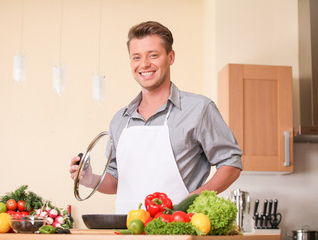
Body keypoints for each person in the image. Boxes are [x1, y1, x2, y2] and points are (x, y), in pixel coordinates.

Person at [70, 21, 242, 214]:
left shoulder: (199, 109)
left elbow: (231, 162)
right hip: (129, 229)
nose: (144, 64)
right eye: (136, 57)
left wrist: (195, 199)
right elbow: (116, 181)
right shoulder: (120, 120)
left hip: (178, 227)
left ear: (170, 57)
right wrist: (89, 179)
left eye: (153, 55)